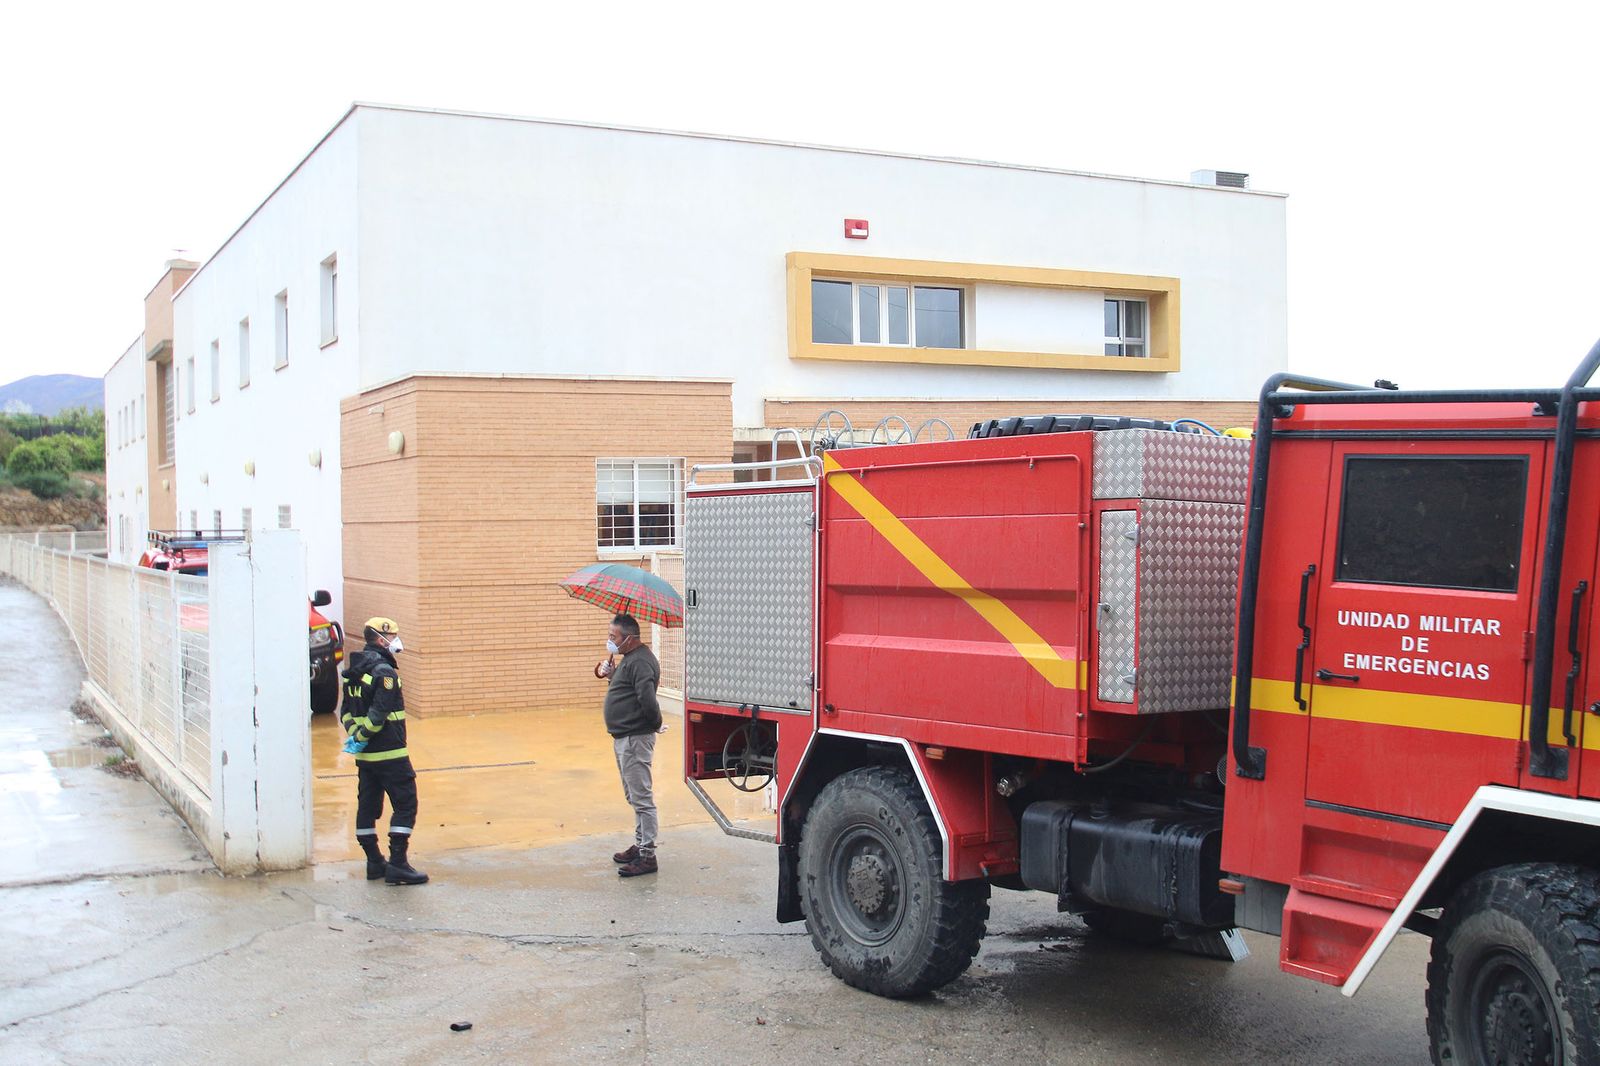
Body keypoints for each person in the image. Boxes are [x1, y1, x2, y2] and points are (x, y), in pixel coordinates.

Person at [341, 617, 428, 886]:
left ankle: (374, 862)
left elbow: (346, 712)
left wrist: (356, 737)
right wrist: (364, 736)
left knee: (367, 806)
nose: (396, 641)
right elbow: (379, 714)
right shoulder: (385, 673)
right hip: (391, 754)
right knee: (406, 804)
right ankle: (398, 864)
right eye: (393, 637)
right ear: (381, 639)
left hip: (366, 758)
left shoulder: (354, 672)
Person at [595, 613, 661, 877]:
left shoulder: (641, 662)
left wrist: (655, 724)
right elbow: (627, 690)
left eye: (614, 637)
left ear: (629, 638)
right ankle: (640, 842)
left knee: (642, 798)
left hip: (635, 738)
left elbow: (647, 699)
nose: (610, 641)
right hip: (625, 737)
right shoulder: (630, 658)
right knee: (633, 795)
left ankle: (647, 855)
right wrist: (612, 675)